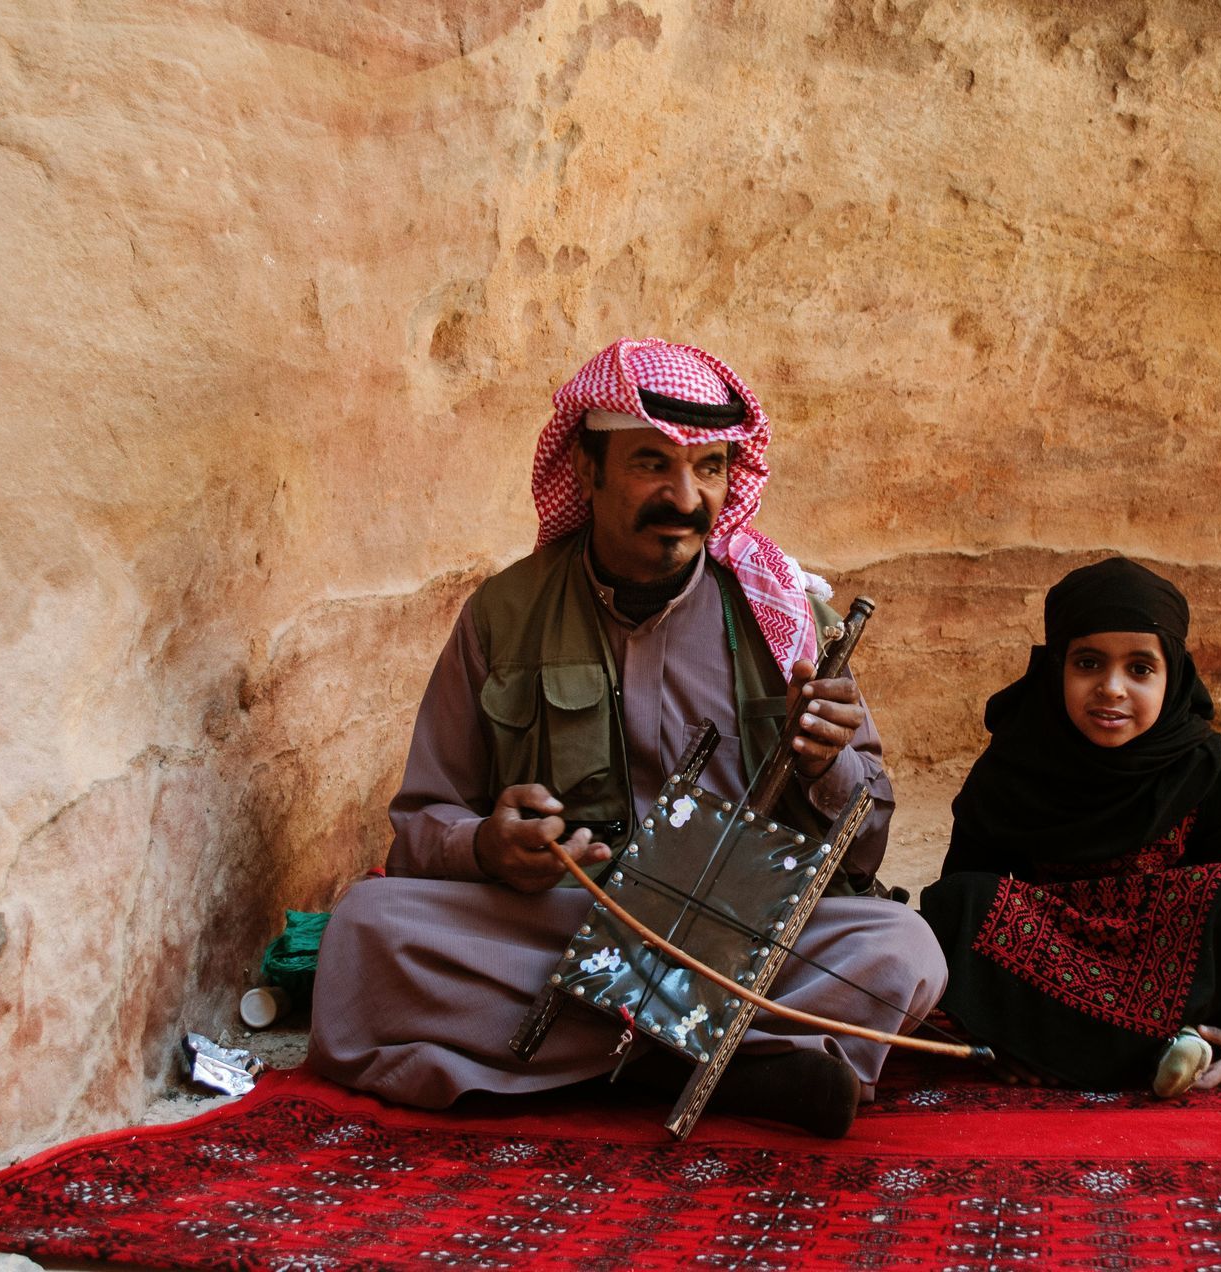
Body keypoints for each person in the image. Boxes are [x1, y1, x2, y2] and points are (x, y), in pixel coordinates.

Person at [308, 338, 946, 1137]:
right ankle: (721, 1067)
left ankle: (590, 1061)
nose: (685, 497)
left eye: (710, 468)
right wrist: (488, 847)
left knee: (903, 949)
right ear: (586, 469)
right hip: (559, 920)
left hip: (739, 934)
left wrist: (827, 767)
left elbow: (864, 850)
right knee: (369, 931)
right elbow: (420, 826)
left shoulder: (786, 617)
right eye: (653, 463)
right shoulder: (503, 618)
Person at [919, 557, 1221, 1097]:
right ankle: (1156, 1049)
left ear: (1174, 674)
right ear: (1056, 669)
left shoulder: (1205, 771)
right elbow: (971, 906)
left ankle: (1112, 1047)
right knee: (957, 901)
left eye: (1140, 669)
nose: (1111, 689)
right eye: (1088, 663)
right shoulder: (1013, 768)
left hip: (1162, 966)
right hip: (1055, 970)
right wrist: (987, 1032)